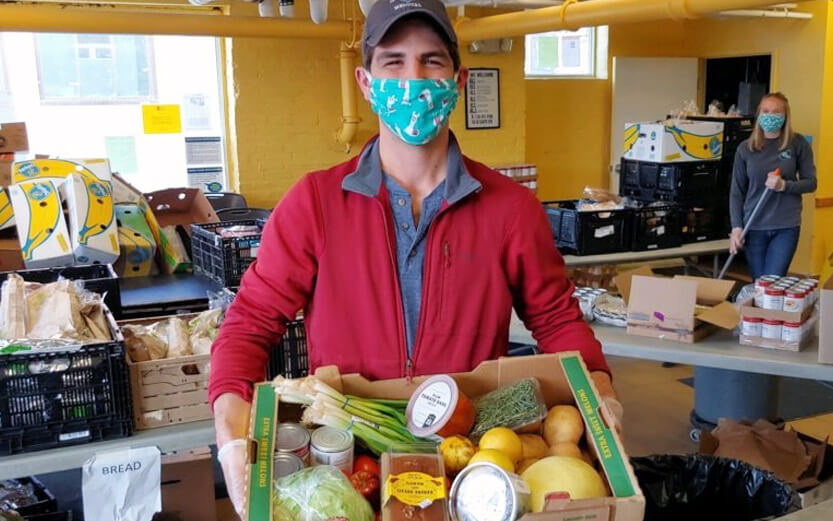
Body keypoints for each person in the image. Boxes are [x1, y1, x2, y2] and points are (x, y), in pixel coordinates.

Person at [209, 0, 616, 513]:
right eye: (394, 62)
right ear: (365, 81)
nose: (413, 79)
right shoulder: (314, 203)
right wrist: (229, 431)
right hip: (348, 458)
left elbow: (556, 319)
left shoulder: (510, 209)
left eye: (432, 61)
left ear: (459, 79)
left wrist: (602, 392)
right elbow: (250, 322)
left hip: (470, 455)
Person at [729, 92, 817, 279]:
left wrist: (784, 185)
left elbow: (811, 183)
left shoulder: (797, 144)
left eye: (776, 112)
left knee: (772, 282)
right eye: (766, 111)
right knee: (758, 283)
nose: (770, 115)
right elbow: (736, 192)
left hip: (786, 225)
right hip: (754, 225)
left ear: (785, 116)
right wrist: (736, 227)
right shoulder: (745, 149)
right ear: (759, 114)